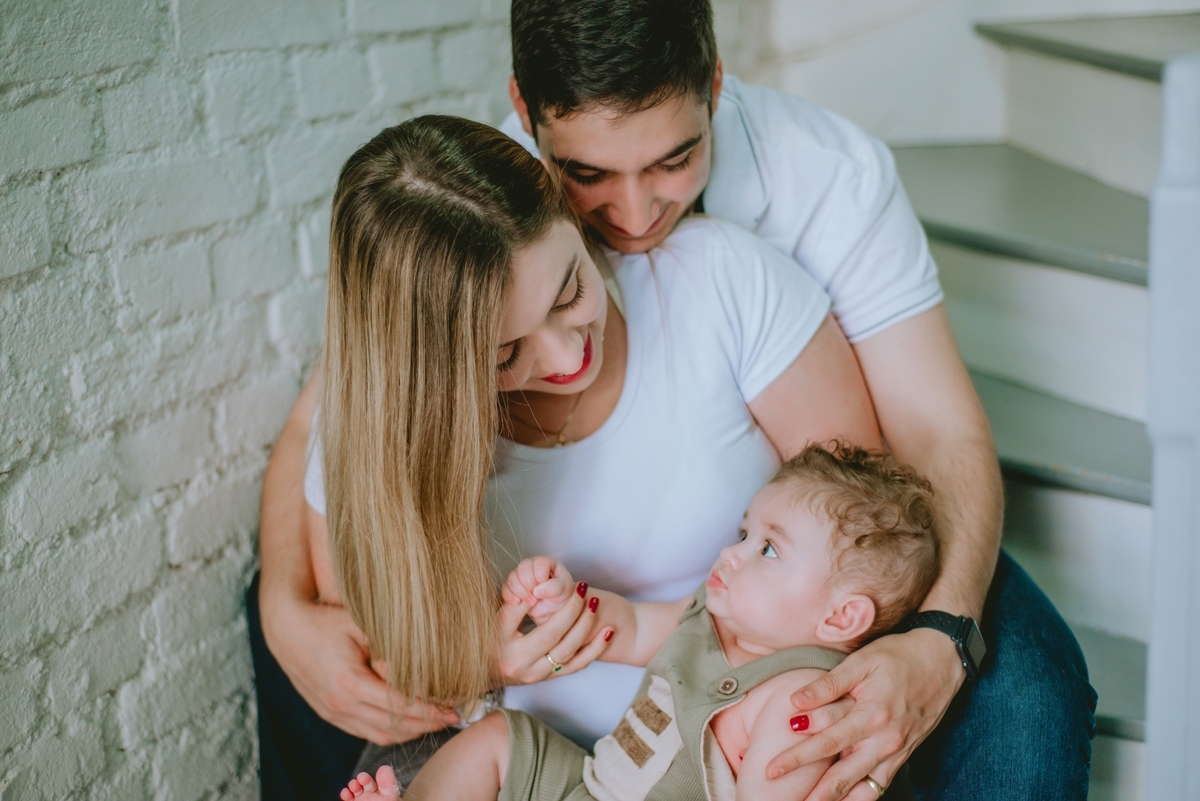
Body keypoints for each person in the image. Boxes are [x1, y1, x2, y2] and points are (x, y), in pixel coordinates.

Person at [252, 1, 1096, 798]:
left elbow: (914, 450)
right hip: (579, 721)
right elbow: (339, 420)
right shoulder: (468, 212)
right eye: (587, 174)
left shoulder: (806, 195)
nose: (630, 213)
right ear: (532, 127)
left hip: (845, 534)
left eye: (672, 161)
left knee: (1024, 691)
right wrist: (285, 608)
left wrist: (937, 636)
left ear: (715, 87)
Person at [256, 111, 882, 799]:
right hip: (510, 759)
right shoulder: (379, 425)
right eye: (504, 355)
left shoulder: (715, 282)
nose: (566, 356)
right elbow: (378, 645)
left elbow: (866, 531)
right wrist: (484, 658)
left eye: (570, 292)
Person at [340, 443, 940, 801]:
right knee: (502, 738)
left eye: (770, 550)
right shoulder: (707, 616)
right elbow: (622, 628)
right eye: (743, 533)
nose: (732, 553)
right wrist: (561, 601)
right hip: (588, 787)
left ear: (842, 616)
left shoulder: (799, 696)